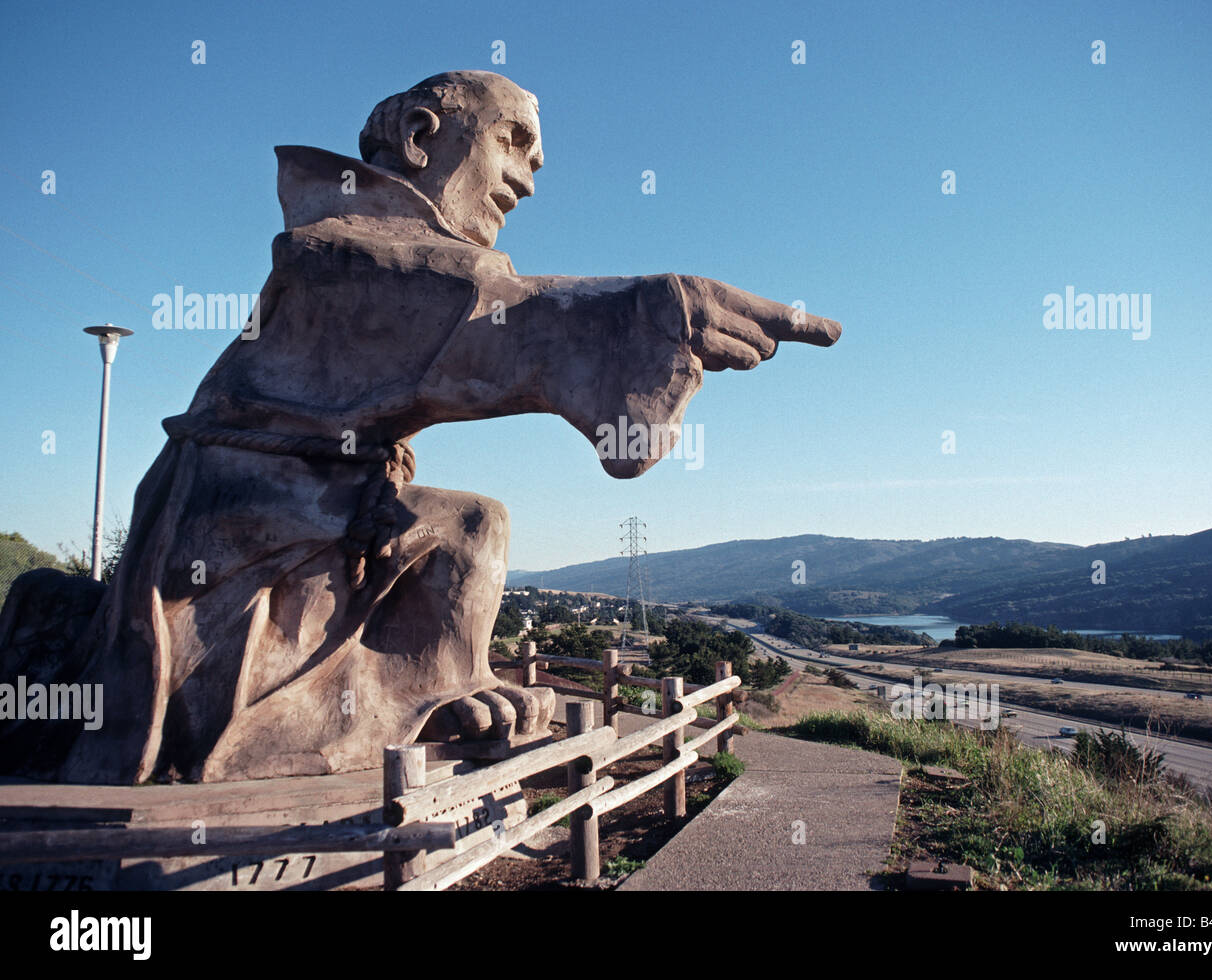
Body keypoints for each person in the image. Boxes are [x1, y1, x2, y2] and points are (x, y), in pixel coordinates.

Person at [0, 71, 840, 783]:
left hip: (329, 510)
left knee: (471, 525)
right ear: (419, 134)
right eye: (514, 142)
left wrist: (651, 315)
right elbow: (493, 316)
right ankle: (303, 720)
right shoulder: (335, 253)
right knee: (468, 523)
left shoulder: (403, 256)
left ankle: (438, 686)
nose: (531, 178)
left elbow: (494, 309)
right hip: (234, 532)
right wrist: (656, 309)